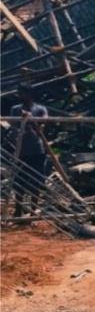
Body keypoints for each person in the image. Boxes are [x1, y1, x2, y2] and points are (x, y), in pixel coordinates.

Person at [6, 85, 50, 219]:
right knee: (19, 180)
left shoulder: (40, 109)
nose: (19, 96)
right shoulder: (15, 109)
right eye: (19, 94)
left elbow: (44, 122)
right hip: (21, 150)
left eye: (22, 93)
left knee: (35, 180)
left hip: (37, 149)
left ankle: (33, 211)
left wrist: (31, 120)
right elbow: (14, 129)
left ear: (29, 94)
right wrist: (20, 133)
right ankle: (18, 210)